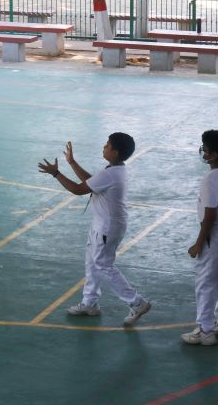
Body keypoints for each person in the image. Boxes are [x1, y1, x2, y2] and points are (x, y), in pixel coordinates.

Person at [37, 134, 152, 327]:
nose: (104, 147)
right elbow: (91, 182)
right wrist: (72, 163)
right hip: (103, 224)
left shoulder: (111, 173)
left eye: (107, 145)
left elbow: (78, 189)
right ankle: (90, 303)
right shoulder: (115, 169)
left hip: (107, 227)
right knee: (92, 262)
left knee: (103, 266)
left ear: (115, 152)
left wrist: (56, 174)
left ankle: (137, 302)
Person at [182, 130, 218, 346]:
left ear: (212, 155)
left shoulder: (211, 179)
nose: (202, 152)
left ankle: (205, 330)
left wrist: (199, 243)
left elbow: (210, 214)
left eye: (204, 149)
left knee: (204, 281)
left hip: (214, 234)